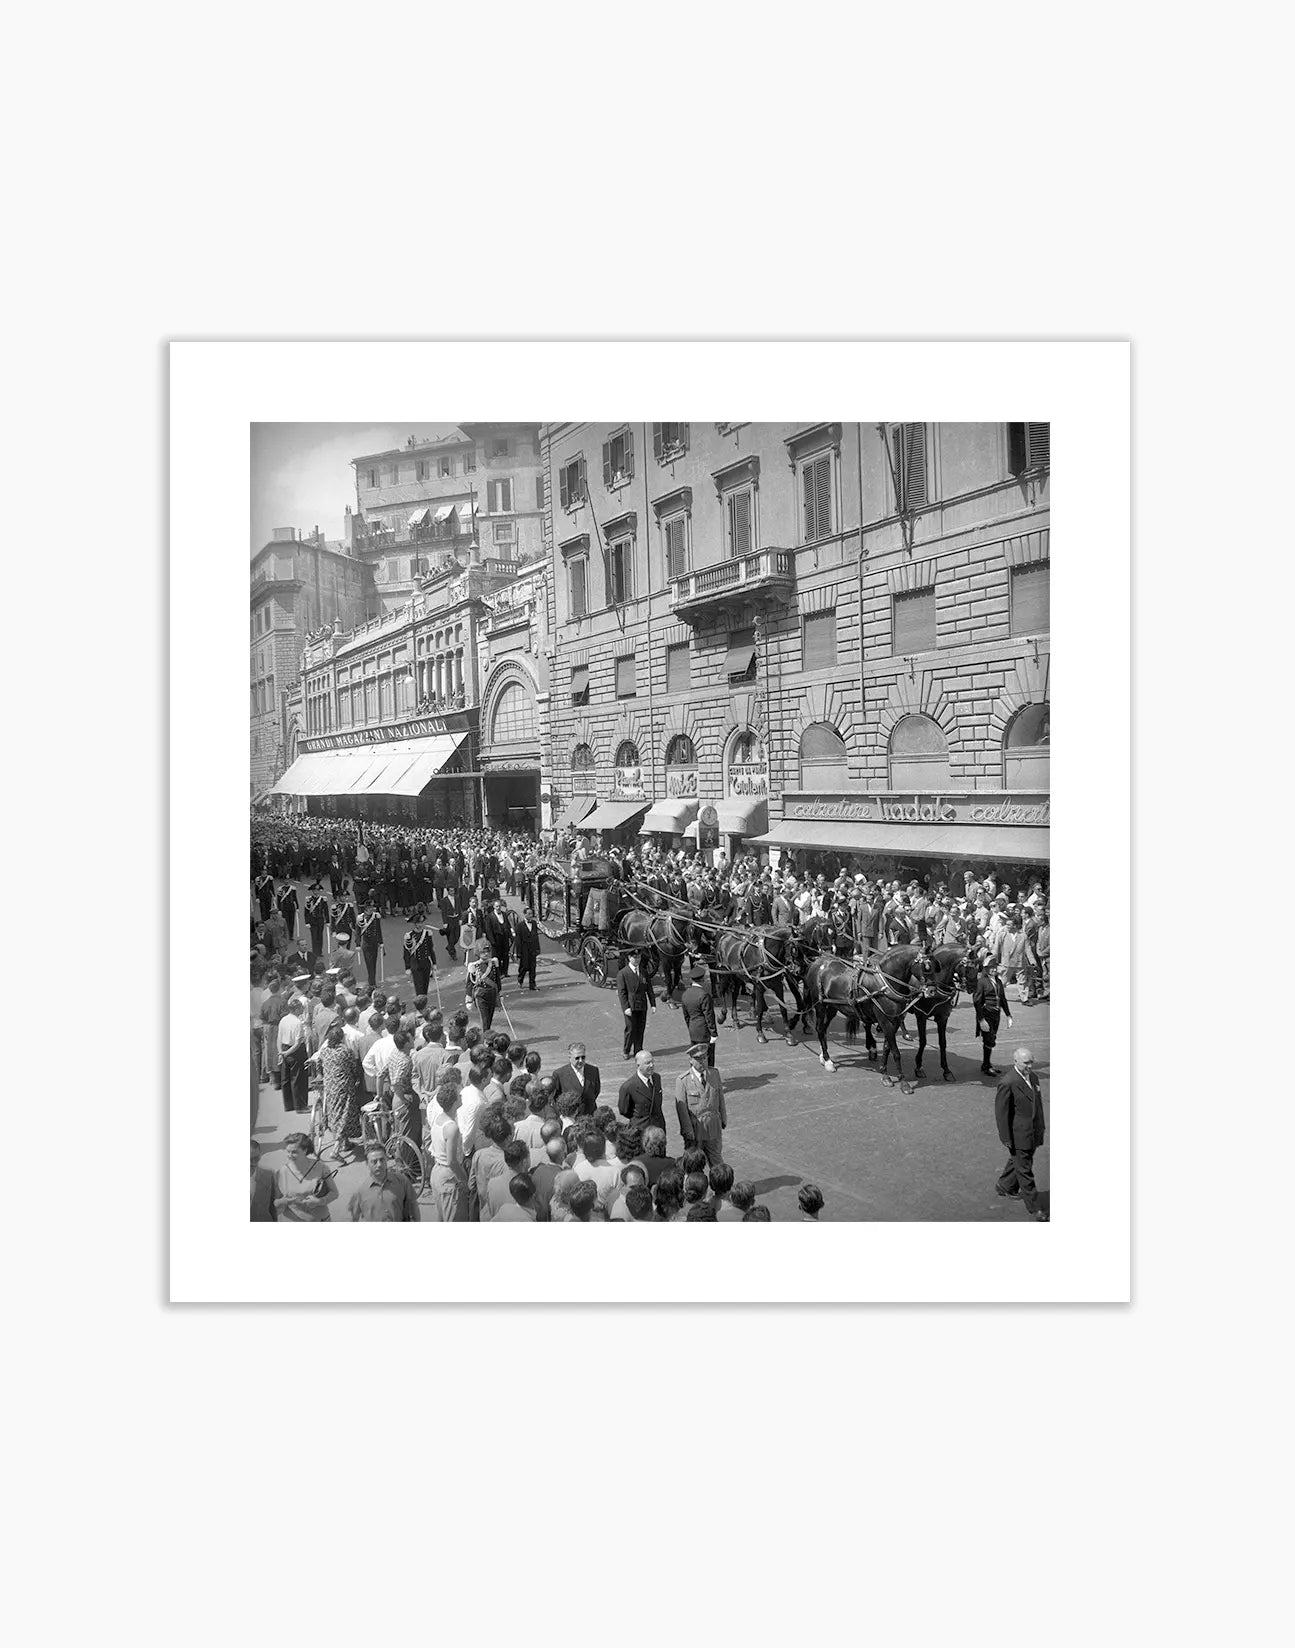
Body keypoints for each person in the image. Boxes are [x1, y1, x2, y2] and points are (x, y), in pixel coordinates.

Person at [994, 1048, 1048, 1220]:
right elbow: (1002, 1114)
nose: (1030, 1066)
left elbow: (1037, 1106)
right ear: (1015, 1061)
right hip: (1018, 1135)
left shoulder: (1033, 1077)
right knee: (1025, 1170)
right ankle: (1035, 1208)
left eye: (1031, 1062)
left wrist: (1041, 1127)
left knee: (1019, 1160)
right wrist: (1006, 1138)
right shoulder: (1008, 1082)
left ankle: (1004, 1185)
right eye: (1026, 1063)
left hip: (1033, 1131)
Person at [306, 1021, 363, 1163]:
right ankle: (336, 1149)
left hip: (330, 1087)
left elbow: (319, 1065)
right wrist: (356, 1079)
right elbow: (353, 1069)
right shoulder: (345, 1051)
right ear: (341, 1038)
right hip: (344, 1087)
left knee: (335, 1114)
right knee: (344, 1115)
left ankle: (346, 1142)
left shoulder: (325, 1051)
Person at [674, 1043, 727, 1168]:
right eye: (698, 1058)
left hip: (713, 1128)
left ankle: (721, 1185)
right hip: (695, 1130)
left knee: (717, 1163)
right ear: (691, 1060)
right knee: (694, 1165)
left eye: (704, 1057)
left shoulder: (714, 1074)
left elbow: (720, 1097)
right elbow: (682, 1111)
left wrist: (723, 1118)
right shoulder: (683, 1081)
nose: (702, 1061)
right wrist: (688, 1132)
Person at [426, 1077, 468, 1222]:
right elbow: (452, 1161)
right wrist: (464, 1178)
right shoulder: (451, 1127)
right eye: (459, 1095)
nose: (461, 1096)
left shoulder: (439, 1119)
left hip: (437, 1172)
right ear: (454, 1101)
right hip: (448, 1176)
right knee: (453, 1217)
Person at [348, 1144, 420, 1222]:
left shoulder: (402, 1181)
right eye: (374, 1162)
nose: (379, 1165)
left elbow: (413, 1207)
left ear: (386, 1160)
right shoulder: (360, 1191)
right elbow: (354, 1218)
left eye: (382, 1160)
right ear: (367, 1164)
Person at [273, 1134, 338, 1221]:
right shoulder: (281, 1172)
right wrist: (283, 1202)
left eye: (294, 1152)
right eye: (288, 1151)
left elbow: (334, 1193)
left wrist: (319, 1202)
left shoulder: (321, 1168)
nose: (290, 1155)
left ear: (305, 1150)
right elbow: (274, 1202)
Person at [972, 957, 1013, 1077]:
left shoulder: (999, 981)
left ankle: (987, 1064)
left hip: (996, 1014)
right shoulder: (982, 982)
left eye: (995, 967)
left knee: (992, 1037)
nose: (993, 969)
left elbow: (1003, 999)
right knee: (989, 1039)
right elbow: (977, 1001)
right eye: (991, 968)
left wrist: (1008, 1015)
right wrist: (981, 1019)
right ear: (986, 969)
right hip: (986, 1013)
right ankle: (986, 1066)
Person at [616, 949, 657, 1059]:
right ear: (630, 958)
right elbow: (622, 992)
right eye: (635, 957)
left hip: (642, 1004)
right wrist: (626, 1007)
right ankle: (626, 1049)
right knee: (630, 1028)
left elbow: (649, 989)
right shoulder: (623, 973)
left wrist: (653, 1004)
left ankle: (638, 1049)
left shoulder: (643, 972)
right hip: (631, 1004)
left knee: (641, 1028)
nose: (637, 960)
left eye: (639, 957)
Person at [617, 1049, 667, 1137]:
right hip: (641, 1133)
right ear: (638, 1065)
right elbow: (624, 1110)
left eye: (652, 1062)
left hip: (659, 1130)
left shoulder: (657, 1078)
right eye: (647, 1063)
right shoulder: (628, 1086)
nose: (651, 1065)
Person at [679, 963, 718, 1068]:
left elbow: (686, 1016)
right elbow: (709, 1016)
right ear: (703, 979)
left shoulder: (685, 994)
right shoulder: (704, 995)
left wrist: (690, 1026)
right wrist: (713, 1033)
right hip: (704, 1032)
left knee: (694, 1056)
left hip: (693, 1029)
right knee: (707, 1059)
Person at [277, 995, 311, 1114]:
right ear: (296, 1009)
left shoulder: (283, 1020)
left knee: (286, 1079)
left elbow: (279, 1038)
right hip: (295, 1051)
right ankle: (300, 1106)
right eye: (301, 1008)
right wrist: (288, 1053)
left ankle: (289, 1104)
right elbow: (297, 1043)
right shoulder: (298, 1023)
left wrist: (281, 1053)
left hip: (285, 1047)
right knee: (298, 1079)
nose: (302, 1010)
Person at [553, 1043, 601, 1116]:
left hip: (590, 1115)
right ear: (569, 1057)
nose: (581, 1060)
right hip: (571, 1117)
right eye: (577, 1058)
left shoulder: (593, 1071)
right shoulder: (559, 1074)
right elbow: (556, 1097)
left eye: (583, 1057)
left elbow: (596, 1090)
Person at [466, 941, 500, 1033]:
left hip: (492, 994)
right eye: (483, 952)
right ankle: (486, 1039)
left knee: (489, 1020)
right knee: (484, 1020)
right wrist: (469, 998)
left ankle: (487, 1036)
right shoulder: (474, 966)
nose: (486, 954)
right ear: (478, 953)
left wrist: (500, 994)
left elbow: (497, 980)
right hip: (481, 995)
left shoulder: (493, 963)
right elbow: (470, 983)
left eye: (487, 952)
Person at [402, 919, 436, 999]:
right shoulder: (409, 935)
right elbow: (406, 953)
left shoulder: (427, 934)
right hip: (415, 964)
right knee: (419, 986)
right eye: (418, 923)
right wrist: (407, 967)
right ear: (415, 924)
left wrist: (434, 963)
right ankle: (421, 1004)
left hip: (426, 963)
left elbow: (431, 949)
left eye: (421, 923)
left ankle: (423, 1002)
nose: (420, 925)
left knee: (425, 985)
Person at [511, 904, 542, 993]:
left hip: (532, 948)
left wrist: (537, 949)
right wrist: (518, 952)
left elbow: (536, 937)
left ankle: (532, 984)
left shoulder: (534, 924)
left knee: (533, 967)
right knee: (524, 966)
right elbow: (518, 940)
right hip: (524, 948)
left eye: (531, 914)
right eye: (528, 914)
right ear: (525, 914)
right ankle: (520, 980)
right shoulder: (520, 926)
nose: (530, 915)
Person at [358, 902, 384, 988]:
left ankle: (372, 982)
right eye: (369, 908)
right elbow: (358, 932)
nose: (371, 909)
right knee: (369, 964)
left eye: (371, 908)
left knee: (374, 963)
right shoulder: (360, 918)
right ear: (365, 909)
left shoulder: (376, 917)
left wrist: (381, 942)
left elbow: (378, 930)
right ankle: (372, 983)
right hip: (366, 944)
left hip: (374, 943)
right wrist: (357, 944)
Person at [250, 1139, 277, 1221]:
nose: (254, 1162)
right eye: (250, 1159)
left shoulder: (269, 1175)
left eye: (256, 1158)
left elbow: (272, 1204)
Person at [304, 882, 329, 961]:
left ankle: (319, 951)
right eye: (314, 890)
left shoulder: (323, 899)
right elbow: (306, 912)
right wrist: (307, 922)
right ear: (312, 891)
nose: (316, 891)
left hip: (320, 920)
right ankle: (315, 953)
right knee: (314, 937)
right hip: (312, 921)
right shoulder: (309, 899)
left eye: (318, 890)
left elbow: (326, 911)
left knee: (320, 937)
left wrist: (327, 921)